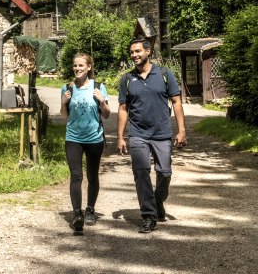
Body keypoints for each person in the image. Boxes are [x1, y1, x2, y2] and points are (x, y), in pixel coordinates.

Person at [117, 38, 187, 233]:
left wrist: (181, 130)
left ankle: (157, 200)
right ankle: (148, 215)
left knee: (165, 172)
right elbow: (123, 109)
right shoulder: (127, 79)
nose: (134, 55)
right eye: (131, 52)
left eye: (138, 51)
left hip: (162, 133)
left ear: (148, 51)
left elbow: (176, 102)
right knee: (141, 173)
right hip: (138, 134)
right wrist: (121, 136)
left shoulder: (164, 74)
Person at [60, 53, 110, 233]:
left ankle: (90, 209)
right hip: (73, 138)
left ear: (89, 67)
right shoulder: (67, 88)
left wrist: (102, 101)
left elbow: (107, 114)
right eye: (75, 65)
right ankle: (77, 214)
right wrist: (64, 102)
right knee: (76, 176)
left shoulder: (98, 87)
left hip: (94, 139)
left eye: (81, 65)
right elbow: (64, 116)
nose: (77, 68)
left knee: (92, 175)